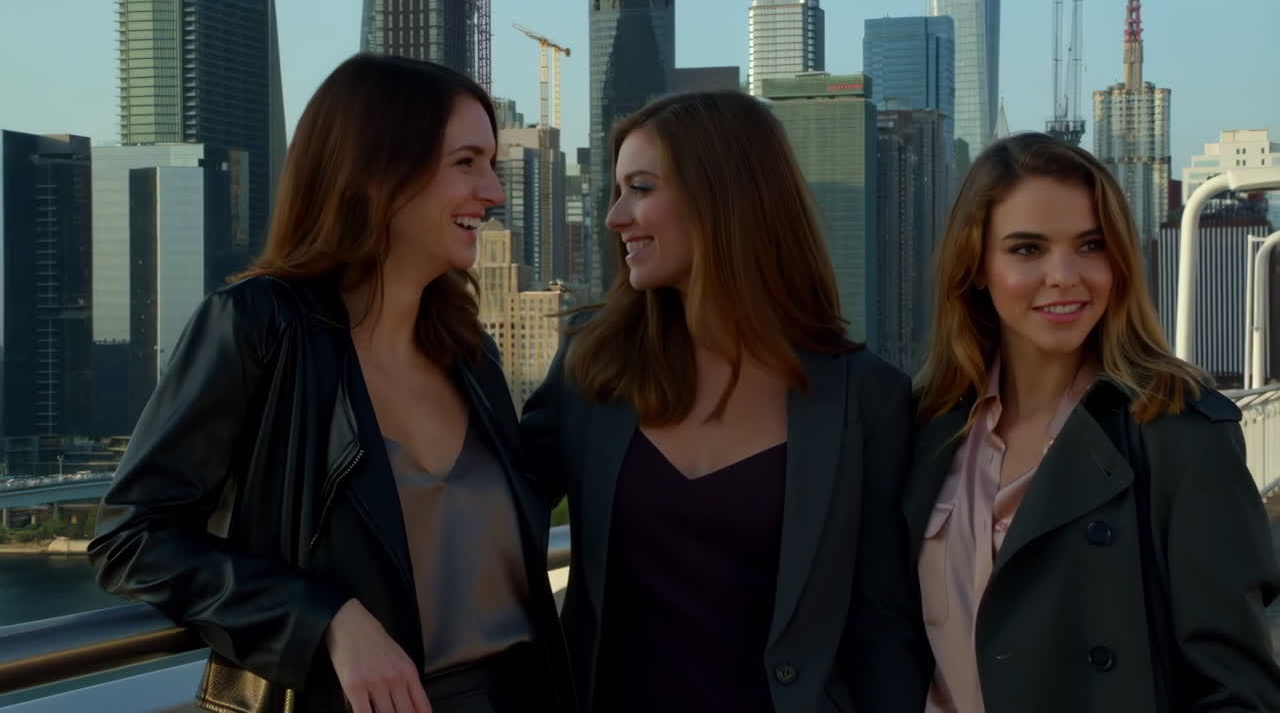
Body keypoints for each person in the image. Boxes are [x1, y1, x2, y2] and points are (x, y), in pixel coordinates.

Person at [89, 54, 572, 713]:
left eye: (491, 165)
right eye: (466, 163)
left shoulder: (471, 355)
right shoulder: (260, 327)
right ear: (375, 171)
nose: (493, 192)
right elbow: (132, 537)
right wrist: (324, 620)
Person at [522, 90, 930, 712]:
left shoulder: (866, 399)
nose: (615, 217)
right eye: (617, 191)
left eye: (640, 188)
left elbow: (885, 629)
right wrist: (353, 621)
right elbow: (484, 513)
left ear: (722, 198)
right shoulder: (594, 368)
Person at [907, 131, 1280, 713]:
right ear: (975, 265)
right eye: (1027, 249)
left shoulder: (1180, 435)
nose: (1064, 275)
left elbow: (1239, 689)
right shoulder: (924, 428)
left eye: (1091, 245)